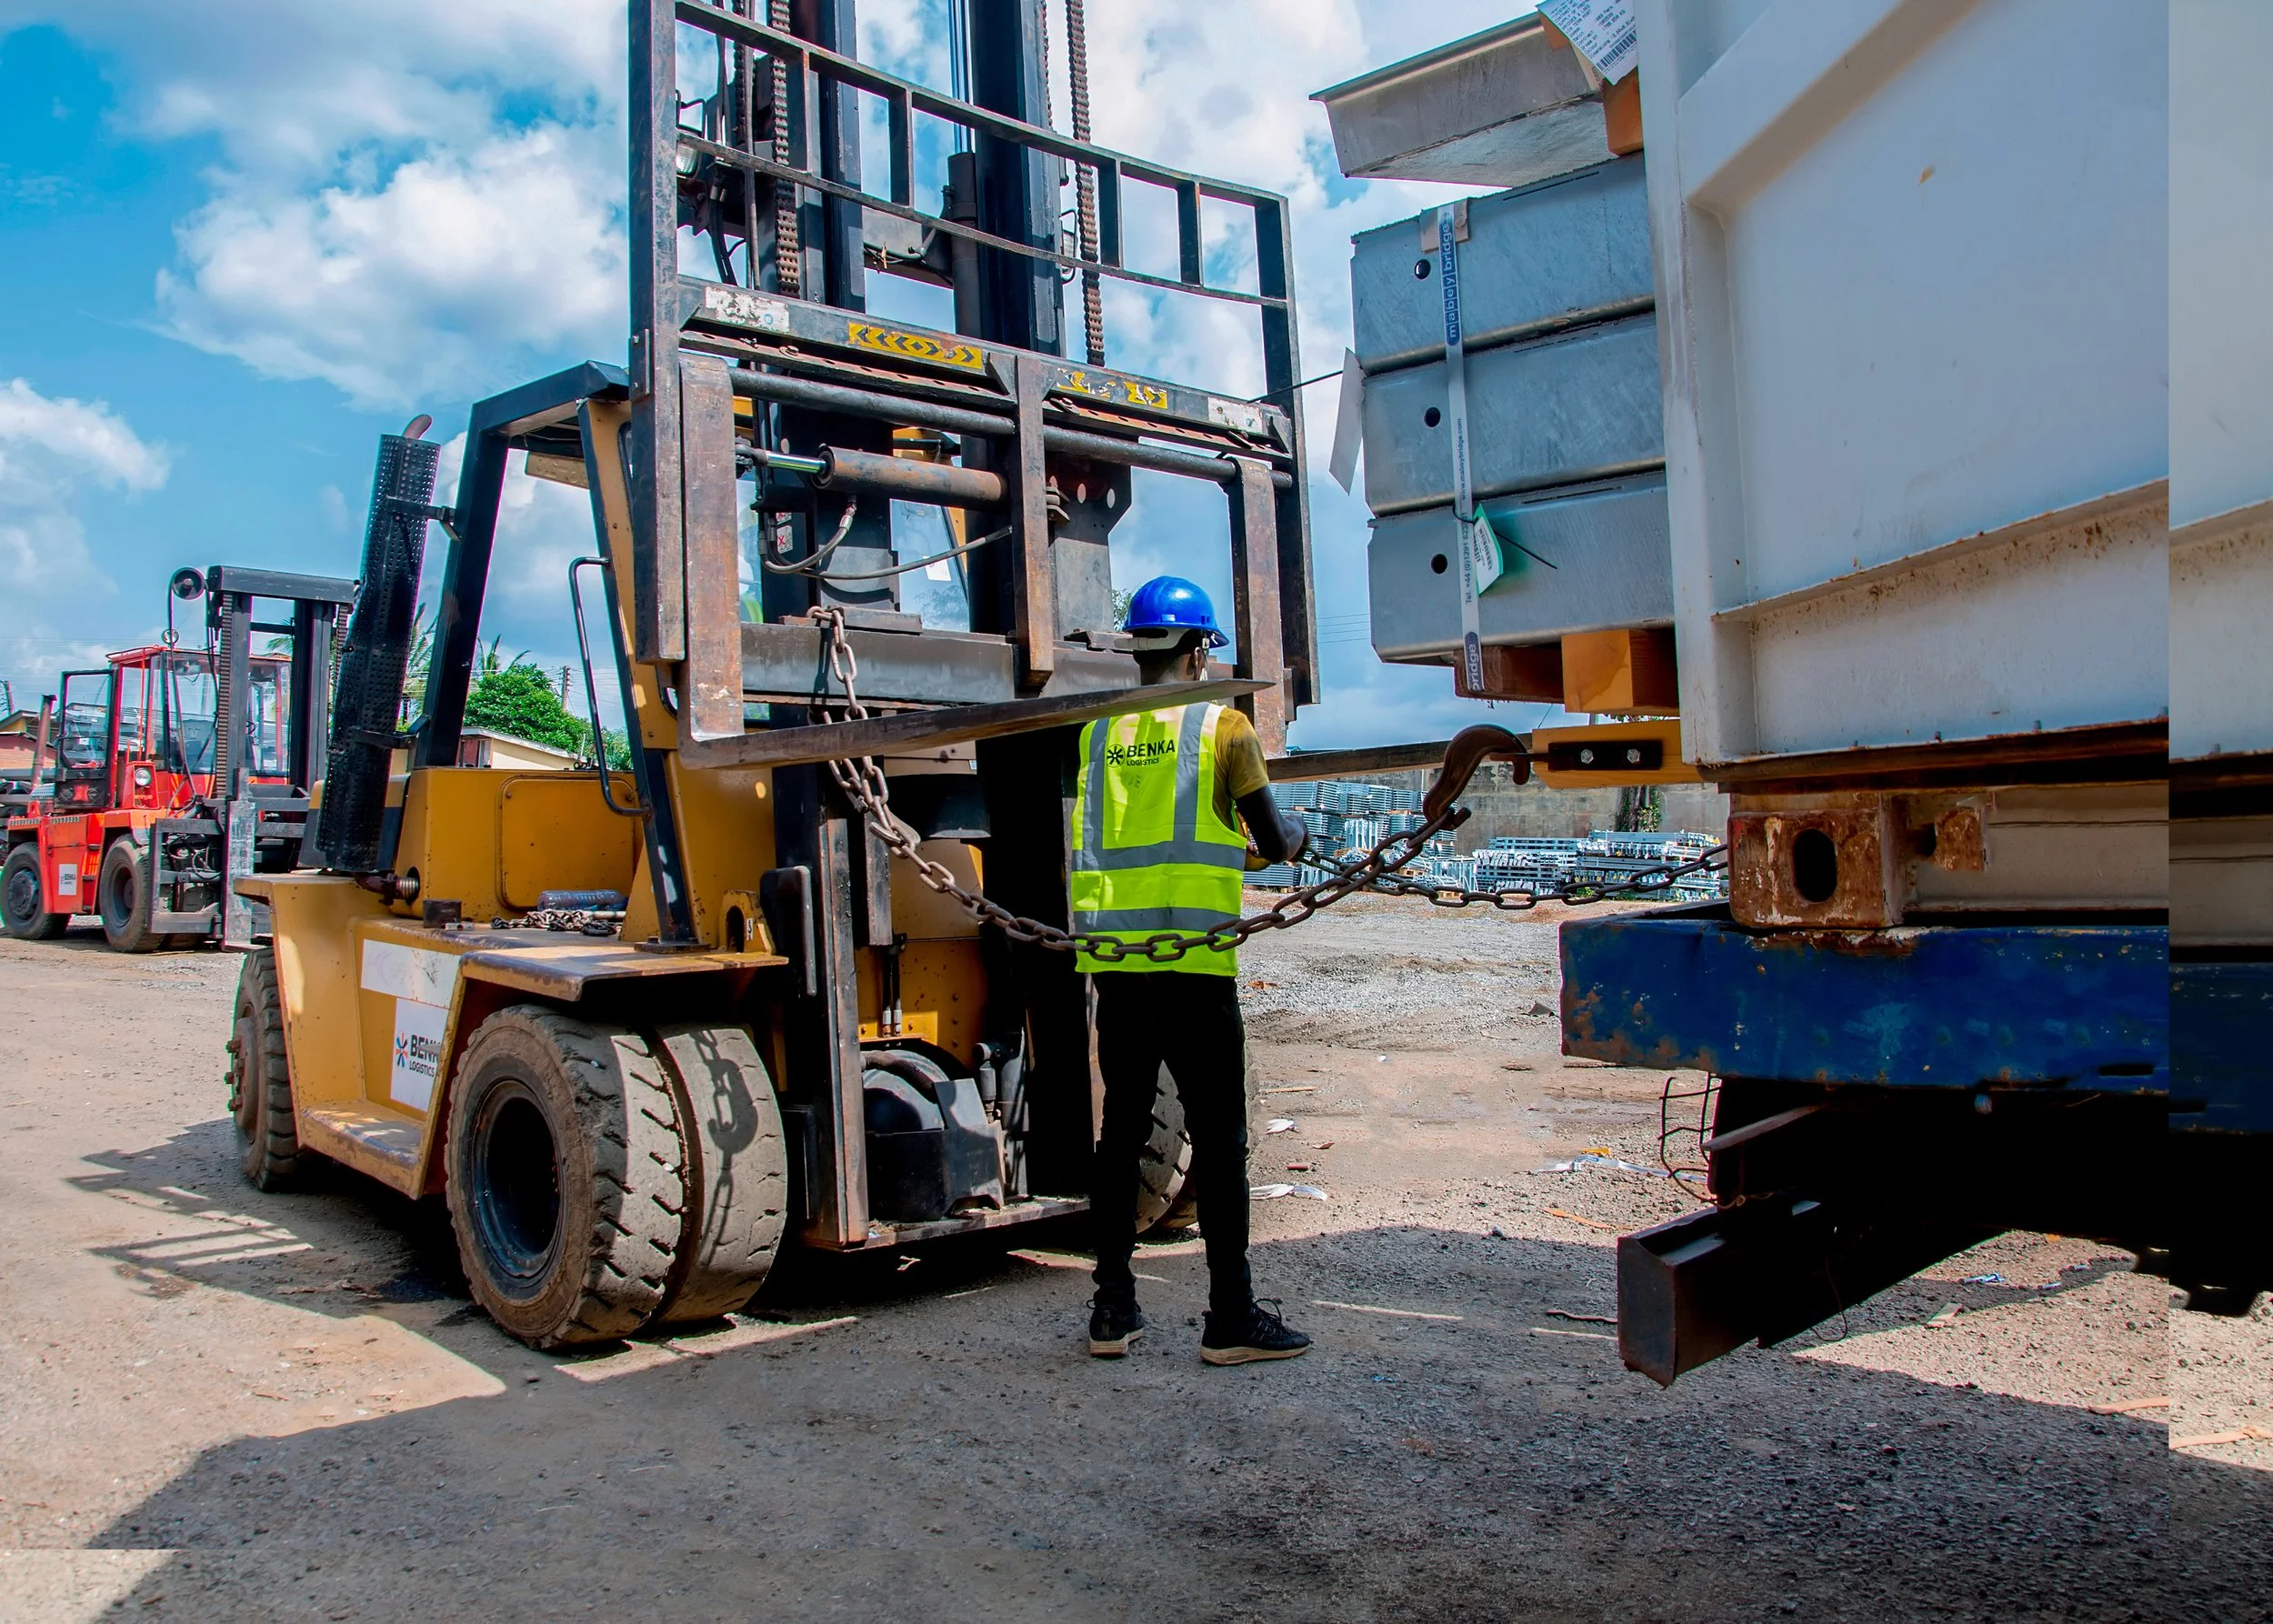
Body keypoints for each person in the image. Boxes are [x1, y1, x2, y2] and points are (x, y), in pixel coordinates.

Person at [1070, 576, 1313, 1365]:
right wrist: (1295, 836)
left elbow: (1135, 837)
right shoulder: (1225, 727)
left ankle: (1113, 1309)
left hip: (1117, 962)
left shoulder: (1097, 733)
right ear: (1200, 648)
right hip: (1194, 965)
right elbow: (1275, 841)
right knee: (1219, 1137)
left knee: (1120, 1132)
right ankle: (1231, 1318)